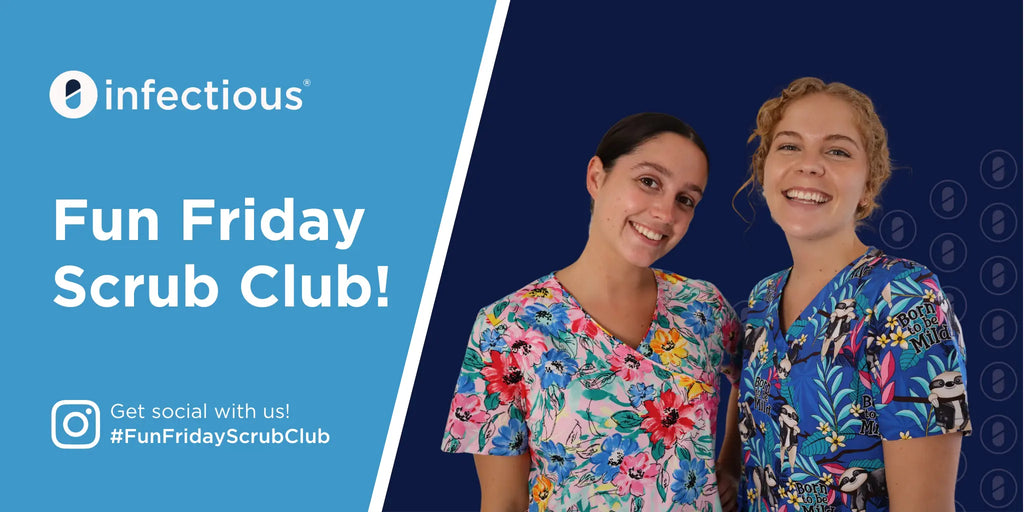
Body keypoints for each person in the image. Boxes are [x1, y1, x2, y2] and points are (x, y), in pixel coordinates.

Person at [441, 112, 741, 512]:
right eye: (649, 182)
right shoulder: (506, 326)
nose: (666, 213)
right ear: (596, 177)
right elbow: (504, 502)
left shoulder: (703, 308)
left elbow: (757, 378)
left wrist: (731, 464)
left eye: (685, 199)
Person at [718, 77, 971, 512]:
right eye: (790, 146)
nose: (810, 165)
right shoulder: (762, 298)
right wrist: (726, 470)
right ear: (764, 173)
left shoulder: (905, 298)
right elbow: (749, 411)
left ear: (868, 185)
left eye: (837, 151)